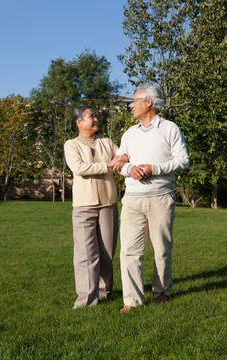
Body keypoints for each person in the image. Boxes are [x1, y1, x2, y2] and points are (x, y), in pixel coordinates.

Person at [113, 83, 190, 313]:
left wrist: (154, 168)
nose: (131, 106)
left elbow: (183, 161)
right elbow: (119, 163)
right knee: (129, 251)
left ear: (149, 102)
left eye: (134, 101)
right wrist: (130, 169)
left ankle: (162, 292)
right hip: (132, 199)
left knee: (161, 249)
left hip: (161, 198)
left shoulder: (170, 129)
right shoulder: (129, 133)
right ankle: (132, 300)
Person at [64, 104, 127, 308]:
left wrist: (123, 159)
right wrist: (108, 164)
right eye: (91, 116)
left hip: (109, 203)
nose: (96, 119)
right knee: (86, 254)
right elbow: (80, 168)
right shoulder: (71, 145)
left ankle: (104, 291)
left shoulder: (107, 142)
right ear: (79, 122)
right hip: (84, 206)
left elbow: (122, 158)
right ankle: (86, 300)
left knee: (107, 252)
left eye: (96, 116)